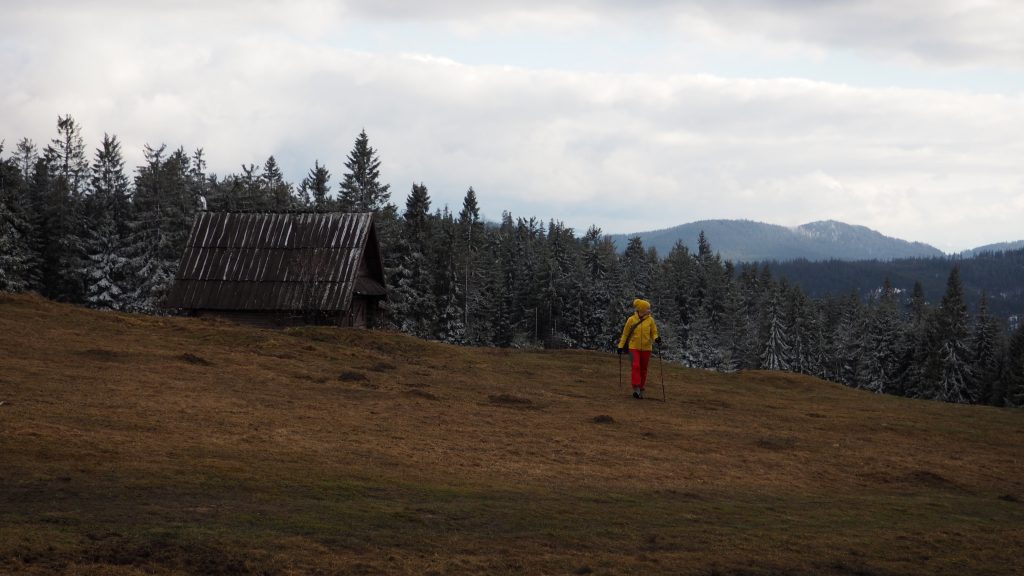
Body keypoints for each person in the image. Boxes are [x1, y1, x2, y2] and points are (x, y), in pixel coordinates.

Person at [617, 298, 661, 399]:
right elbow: (625, 334)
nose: (649, 310)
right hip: (633, 347)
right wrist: (620, 346)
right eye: (647, 308)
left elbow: (654, 333)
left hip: (647, 348)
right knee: (636, 366)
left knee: (643, 369)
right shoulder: (631, 320)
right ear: (641, 309)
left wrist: (656, 339)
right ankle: (636, 387)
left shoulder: (651, 320)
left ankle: (641, 388)